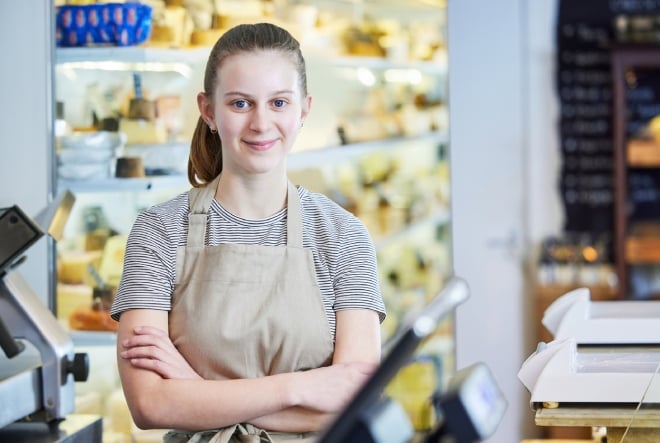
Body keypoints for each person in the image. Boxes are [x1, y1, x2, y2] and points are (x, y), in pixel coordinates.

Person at [110, 22, 386, 442]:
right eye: (240, 104)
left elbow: (358, 405)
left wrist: (196, 394)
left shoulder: (343, 235)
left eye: (279, 103)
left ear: (304, 110)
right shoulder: (159, 232)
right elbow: (149, 405)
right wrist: (301, 387)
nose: (261, 123)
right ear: (208, 110)